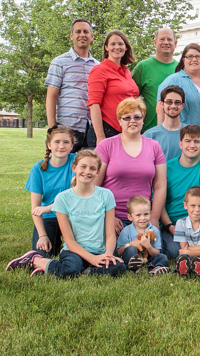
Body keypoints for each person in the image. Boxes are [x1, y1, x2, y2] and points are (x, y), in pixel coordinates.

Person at [19, 150, 127, 278]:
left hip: (100, 250)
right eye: (83, 167)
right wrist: (92, 259)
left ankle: (82, 271)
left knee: (119, 268)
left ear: (98, 172)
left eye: (92, 168)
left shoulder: (106, 195)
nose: (87, 172)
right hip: (73, 251)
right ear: (74, 168)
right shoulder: (62, 199)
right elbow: (69, 240)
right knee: (70, 270)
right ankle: (36, 260)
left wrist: (108, 255)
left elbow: (110, 235)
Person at [6, 125, 76, 268]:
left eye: (66, 142)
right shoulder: (38, 168)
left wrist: (50, 207)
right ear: (49, 145)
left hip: (73, 217)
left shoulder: (77, 163)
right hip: (49, 217)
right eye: (57, 142)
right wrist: (42, 235)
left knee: (77, 254)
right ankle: (41, 262)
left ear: (72, 145)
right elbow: (36, 208)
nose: (61, 146)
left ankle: (52, 263)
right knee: (43, 252)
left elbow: (74, 195)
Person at [94, 97, 167, 231]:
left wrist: (154, 218)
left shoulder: (154, 146)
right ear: (119, 121)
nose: (132, 121)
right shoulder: (106, 146)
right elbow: (93, 185)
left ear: (143, 120)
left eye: (137, 117)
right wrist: (108, 216)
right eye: (126, 117)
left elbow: (160, 186)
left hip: (142, 218)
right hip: (113, 217)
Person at [160, 124, 200, 258]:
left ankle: (198, 247)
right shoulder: (167, 168)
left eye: (197, 141)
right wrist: (170, 226)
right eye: (188, 141)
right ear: (180, 144)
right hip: (174, 222)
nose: (192, 145)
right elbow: (158, 202)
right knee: (172, 251)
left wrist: (194, 214)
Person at [45, 19, 97, 151]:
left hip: (92, 129)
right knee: (64, 167)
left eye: (86, 31)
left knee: (88, 169)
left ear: (92, 36)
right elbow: (51, 96)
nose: (82, 34)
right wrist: (52, 129)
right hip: (67, 127)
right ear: (71, 36)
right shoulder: (59, 62)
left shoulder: (98, 66)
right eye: (78, 31)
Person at [156, 43, 200, 144]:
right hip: (183, 141)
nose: (194, 59)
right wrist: (163, 137)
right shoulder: (173, 80)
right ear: (183, 60)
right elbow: (160, 109)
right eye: (189, 56)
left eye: (198, 56)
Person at [87, 30, 139, 144]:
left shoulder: (127, 73)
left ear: (126, 47)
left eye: (120, 44)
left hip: (125, 131)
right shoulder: (99, 70)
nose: (117, 47)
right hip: (107, 130)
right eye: (113, 44)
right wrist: (100, 137)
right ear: (106, 47)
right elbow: (94, 104)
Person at [144, 86, 200, 161]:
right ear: (162, 104)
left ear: (182, 105)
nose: (173, 106)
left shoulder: (193, 132)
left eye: (177, 102)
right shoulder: (150, 136)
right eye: (169, 102)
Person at [132, 28, 178, 132]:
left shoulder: (181, 69)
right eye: (162, 39)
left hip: (174, 131)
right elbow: (132, 100)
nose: (166, 42)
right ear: (155, 42)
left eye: (169, 39)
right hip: (147, 131)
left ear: (175, 43)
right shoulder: (142, 67)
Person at [116, 195, 169, 275]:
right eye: (138, 215)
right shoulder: (126, 231)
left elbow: (157, 252)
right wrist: (131, 244)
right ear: (130, 217)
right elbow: (119, 252)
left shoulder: (154, 230)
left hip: (149, 257)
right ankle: (133, 266)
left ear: (150, 214)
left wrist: (148, 246)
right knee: (131, 250)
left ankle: (157, 267)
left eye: (146, 214)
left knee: (162, 256)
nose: (143, 218)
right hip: (133, 256)